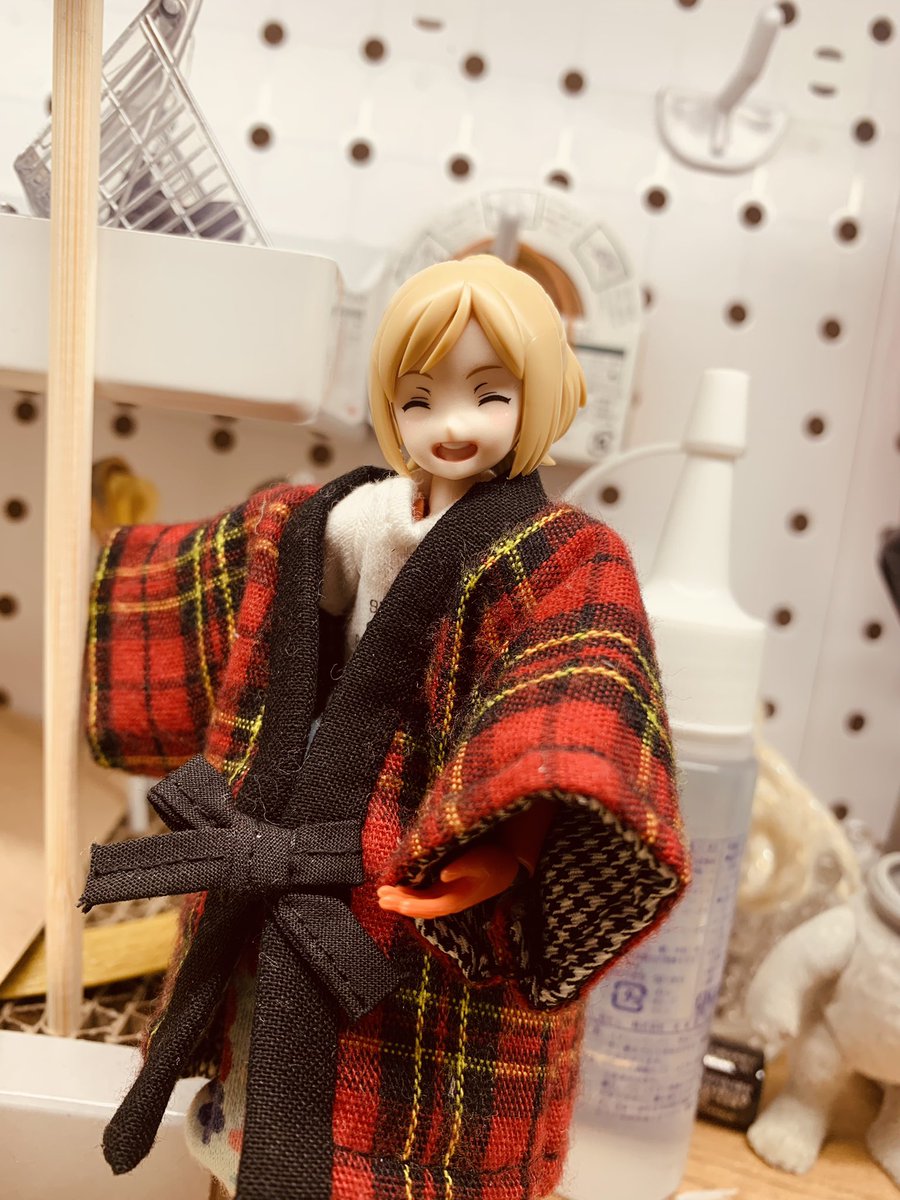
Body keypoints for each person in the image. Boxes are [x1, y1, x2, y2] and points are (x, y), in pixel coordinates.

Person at [81, 255, 689, 1200]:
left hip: (418, 868)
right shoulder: (349, 517)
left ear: (543, 396)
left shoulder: (568, 560)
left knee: (410, 1133)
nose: (451, 424)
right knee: (254, 1084)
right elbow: (262, 566)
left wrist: (510, 841)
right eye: (419, 399)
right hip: (297, 845)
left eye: (489, 395)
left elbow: (572, 714)